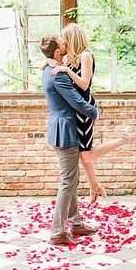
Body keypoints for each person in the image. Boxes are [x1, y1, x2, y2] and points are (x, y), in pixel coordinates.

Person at [49, 23, 136, 205]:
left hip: (84, 108)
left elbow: (84, 84)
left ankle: (123, 139)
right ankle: (94, 186)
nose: (63, 43)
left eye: (65, 38)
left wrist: (66, 70)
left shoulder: (86, 55)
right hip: (75, 109)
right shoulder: (68, 58)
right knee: (83, 153)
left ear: (72, 38)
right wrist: (47, 61)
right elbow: (55, 67)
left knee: (86, 155)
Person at [40, 33, 99, 246]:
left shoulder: (48, 69)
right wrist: (95, 113)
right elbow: (76, 101)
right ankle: (57, 231)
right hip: (66, 130)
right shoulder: (59, 75)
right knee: (68, 181)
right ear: (57, 51)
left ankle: (75, 223)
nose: (66, 44)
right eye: (63, 43)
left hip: (57, 128)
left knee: (71, 179)